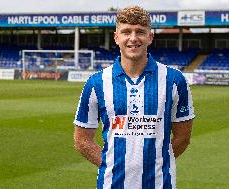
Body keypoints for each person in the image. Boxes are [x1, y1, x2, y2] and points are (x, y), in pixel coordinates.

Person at [73, 5, 195, 189]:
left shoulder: (174, 80)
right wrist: (113, 165)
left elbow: (183, 138)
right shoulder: (96, 83)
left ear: (150, 37)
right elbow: (82, 140)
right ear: (116, 37)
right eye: (126, 32)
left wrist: (154, 165)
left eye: (140, 31)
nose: (133, 38)